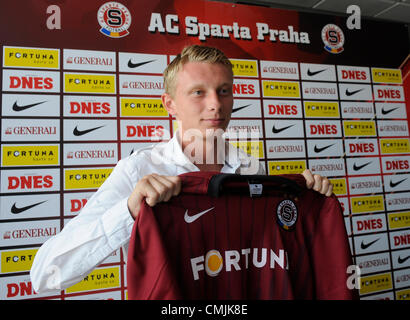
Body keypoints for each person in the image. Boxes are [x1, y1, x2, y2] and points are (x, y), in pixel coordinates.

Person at [30, 45, 333, 293]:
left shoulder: (253, 170)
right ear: (170, 104)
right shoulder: (139, 170)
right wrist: (128, 211)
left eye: (224, 90)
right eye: (199, 92)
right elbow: (45, 274)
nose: (215, 104)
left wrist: (305, 199)